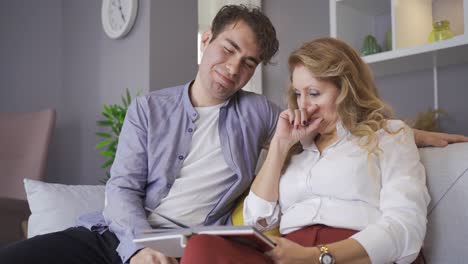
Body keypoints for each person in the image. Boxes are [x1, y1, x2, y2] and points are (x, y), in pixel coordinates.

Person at [0, 5, 466, 264]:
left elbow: (337, 119)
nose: (234, 68)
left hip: (189, 247)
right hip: (118, 238)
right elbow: (121, 189)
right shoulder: (149, 109)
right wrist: (137, 250)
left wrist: (406, 131)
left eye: (249, 63)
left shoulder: (262, 114)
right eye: (229, 49)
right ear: (207, 41)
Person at [179, 38, 437, 264]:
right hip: (288, 255)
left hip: (351, 255)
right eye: (298, 94)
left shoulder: (389, 136)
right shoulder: (295, 147)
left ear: (346, 91)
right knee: (202, 246)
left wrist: (316, 257)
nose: (305, 106)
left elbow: (405, 228)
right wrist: (280, 146)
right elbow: (256, 221)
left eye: (314, 93)